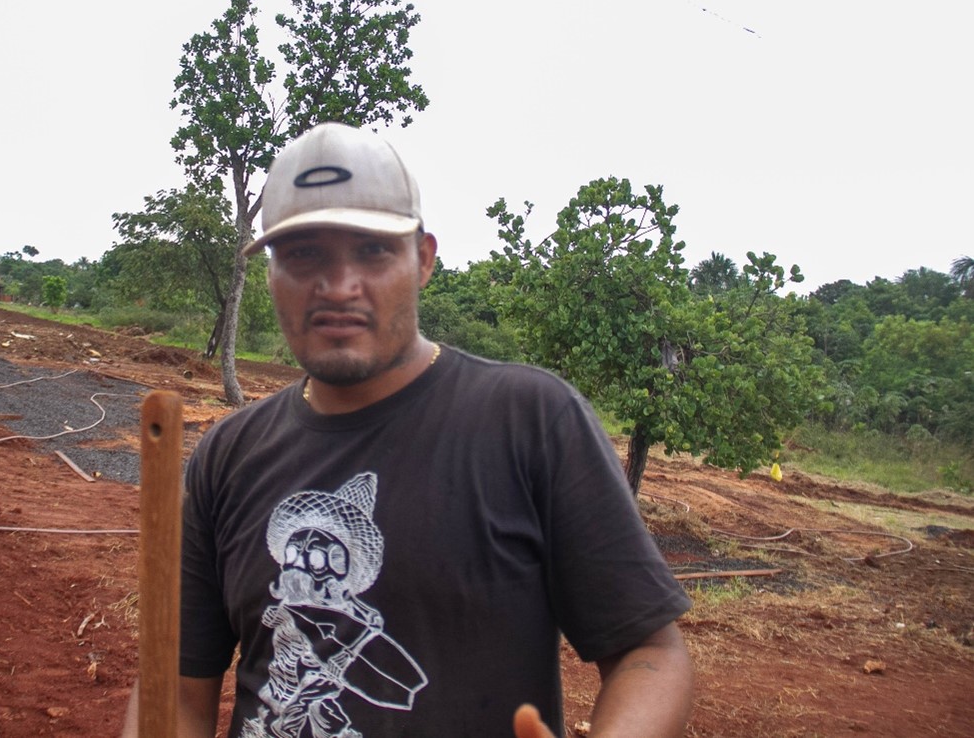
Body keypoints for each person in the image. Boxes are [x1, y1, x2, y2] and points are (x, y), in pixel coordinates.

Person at [122, 123, 693, 738]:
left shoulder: (530, 419)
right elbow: (177, 692)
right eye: (304, 253)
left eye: (372, 250)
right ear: (270, 274)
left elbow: (649, 654)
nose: (339, 287)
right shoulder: (229, 457)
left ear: (422, 260)